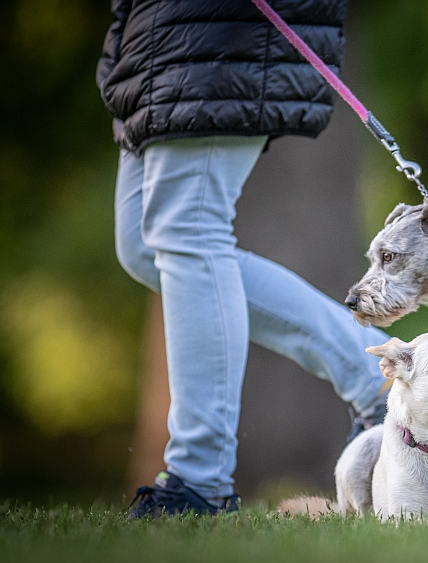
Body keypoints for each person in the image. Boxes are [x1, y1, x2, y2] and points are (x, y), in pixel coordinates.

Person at [97, 0, 389, 516]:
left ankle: (198, 479)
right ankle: (375, 373)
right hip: (158, 40)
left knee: (189, 229)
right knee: (145, 246)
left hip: (212, 36)